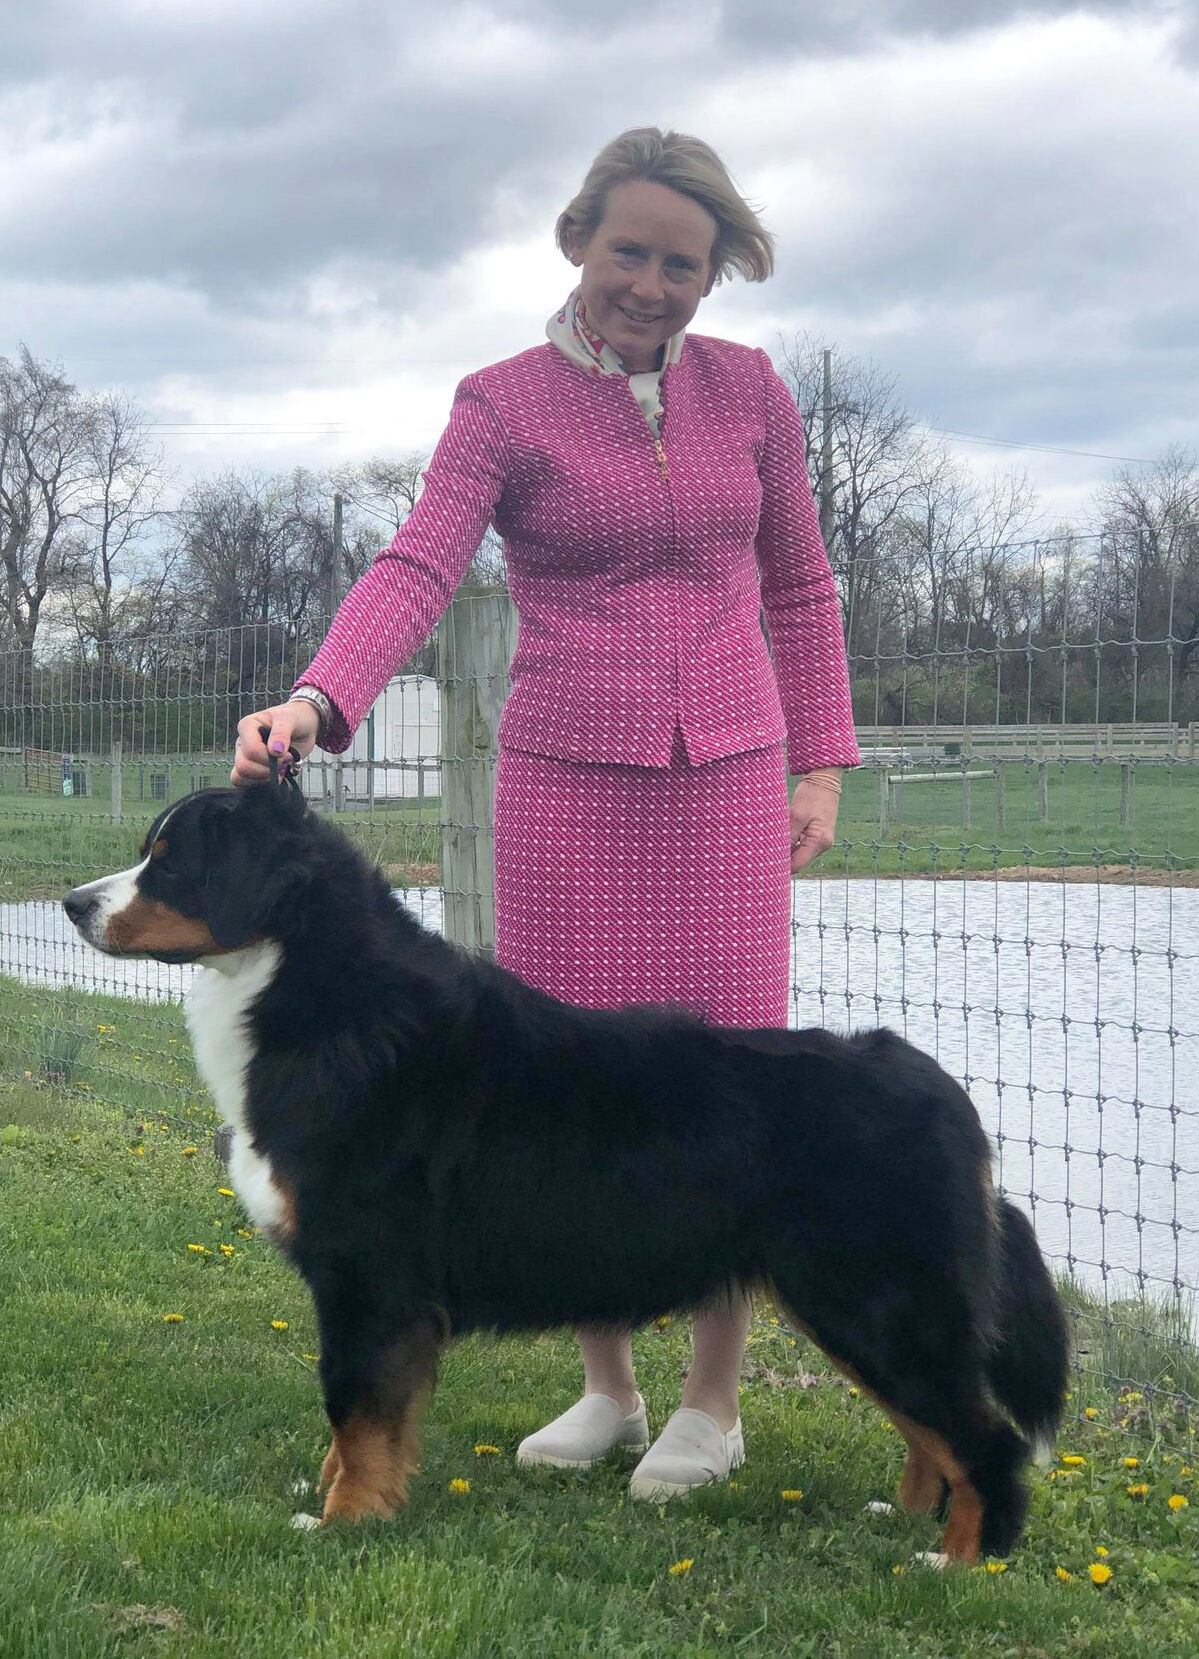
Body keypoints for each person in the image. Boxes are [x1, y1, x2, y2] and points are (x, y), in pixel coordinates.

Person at [232, 127, 861, 1501]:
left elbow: (803, 590)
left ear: (720, 273)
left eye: (683, 264)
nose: (651, 283)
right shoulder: (502, 405)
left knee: (727, 1087)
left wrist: (820, 762)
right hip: (571, 785)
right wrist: (319, 702)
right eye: (629, 251)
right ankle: (608, 1388)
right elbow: (417, 566)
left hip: (731, 779)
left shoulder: (755, 395)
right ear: (577, 241)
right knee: (570, 1089)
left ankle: (713, 1401)